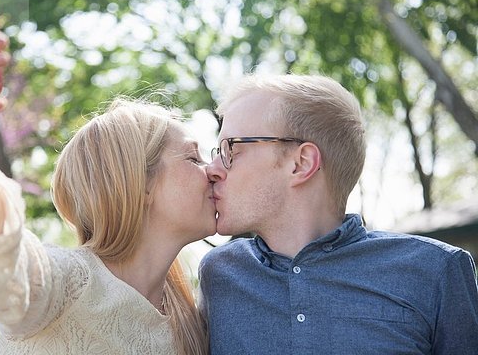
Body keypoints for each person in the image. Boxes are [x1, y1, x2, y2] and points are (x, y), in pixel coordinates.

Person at [0, 5, 215, 354]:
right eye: (193, 157)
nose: (214, 170)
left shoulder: (190, 317)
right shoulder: (68, 283)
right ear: (140, 184)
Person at [199, 73, 478, 354]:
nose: (212, 168)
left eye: (231, 149)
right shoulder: (218, 274)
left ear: (301, 163)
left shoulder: (437, 272)